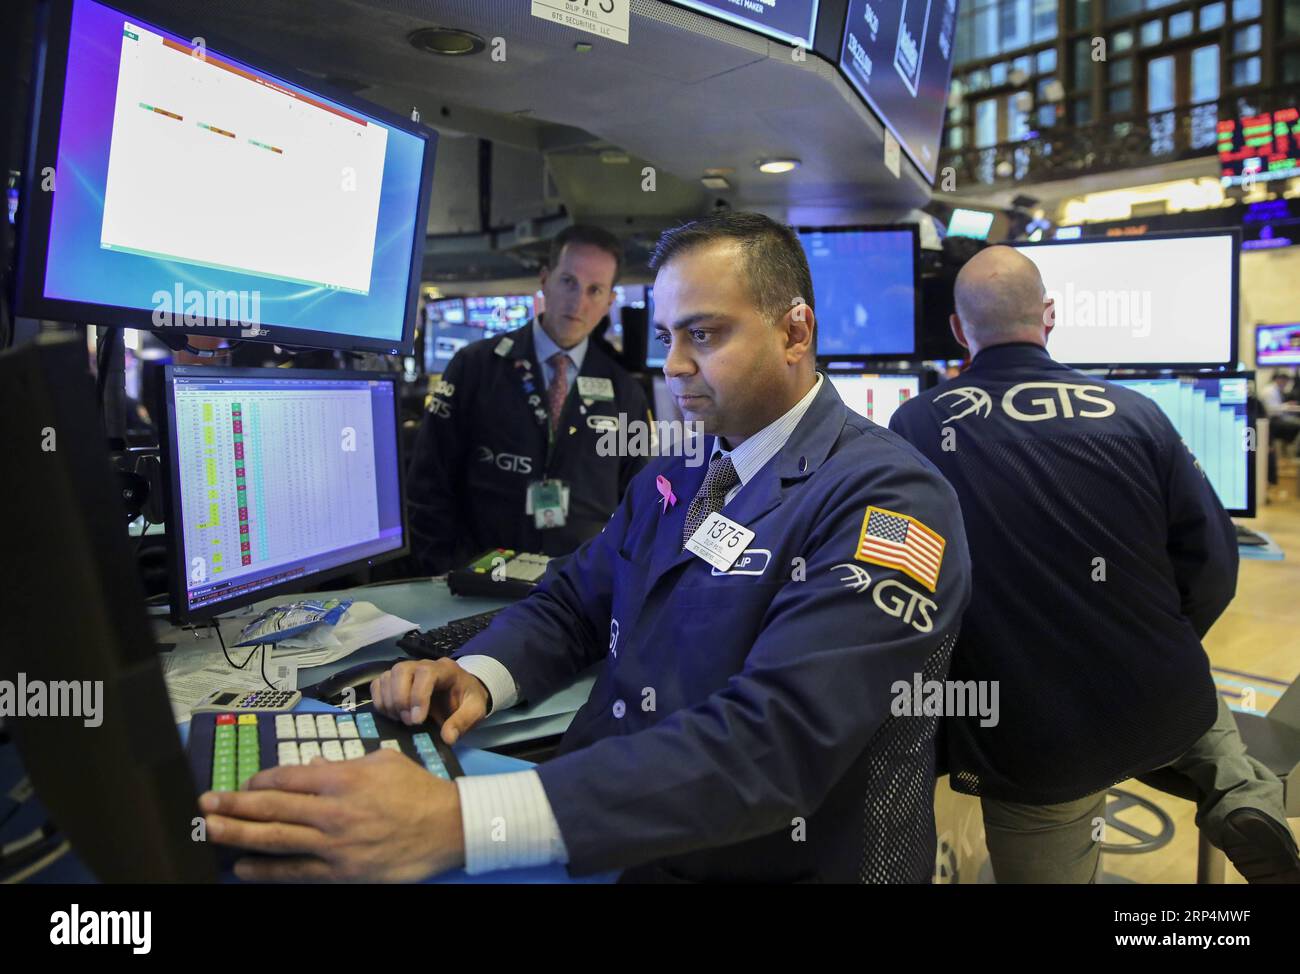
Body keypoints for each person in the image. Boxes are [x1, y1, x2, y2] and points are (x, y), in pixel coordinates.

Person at [197, 211, 972, 883]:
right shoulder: (679, 473)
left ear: (794, 331)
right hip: (613, 833)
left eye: (704, 334)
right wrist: (477, 676)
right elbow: (574, 603)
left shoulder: (889, 500)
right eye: (667, 336)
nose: (673, 365)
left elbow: (775, 747)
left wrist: (460, 821)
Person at [889, 245, 1299, 883]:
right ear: (1049, 315)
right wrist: (1157, 637)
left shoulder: (915, 424)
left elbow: (909, 577)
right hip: (1155, 690)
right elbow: (1214, 561)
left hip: (1033, 728)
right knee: (1190, 704)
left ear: (958, 330)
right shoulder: (1136, 413)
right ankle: (1240, 795)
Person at [407, 224, 650, 574]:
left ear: (609, 301)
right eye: (568, 281)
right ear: (545, 280)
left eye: (594, 290)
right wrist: (446, 570)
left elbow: (637, 503)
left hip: (578, 586)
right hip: (481, 579)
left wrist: (611, 580)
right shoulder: (475, 366)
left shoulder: (624, 391)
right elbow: (428, 483)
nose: (578, 302)